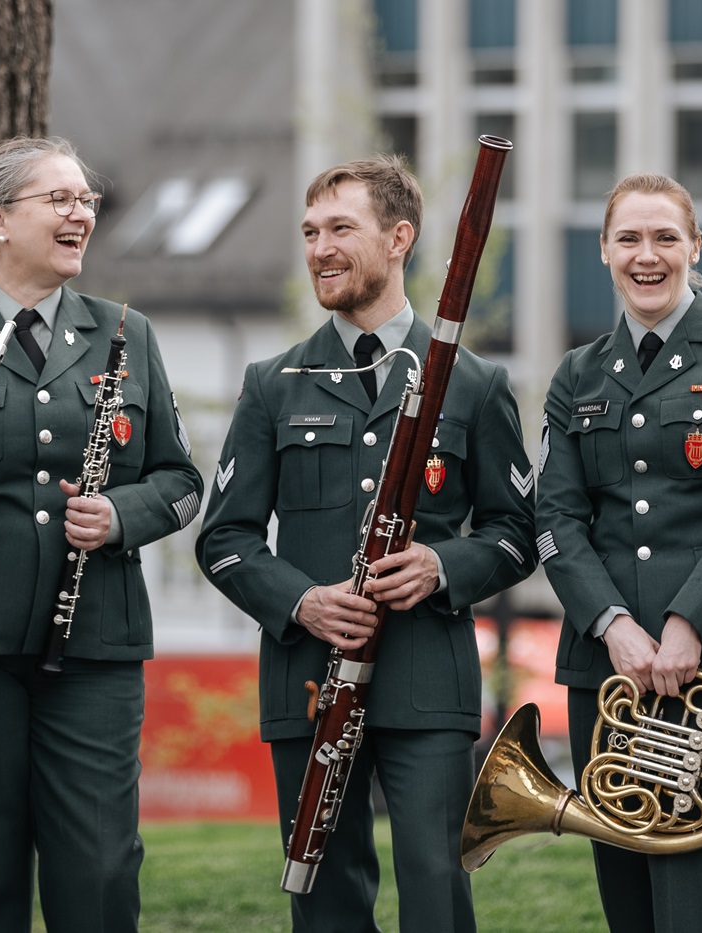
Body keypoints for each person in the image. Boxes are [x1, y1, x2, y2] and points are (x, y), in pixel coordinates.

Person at [195, 154, 536, 933]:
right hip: (309, 683)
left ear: (398, 238)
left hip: (427, 681)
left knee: (437, 894)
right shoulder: (273, 382)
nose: (320, 248)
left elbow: (520, 534)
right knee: (326, 905)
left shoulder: (473, 383)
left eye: (340, 229)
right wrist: (303, 602)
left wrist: (441, 566)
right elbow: (224, 538)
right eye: (310, 232)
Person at [0, 135, 202, 932]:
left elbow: (182, 480)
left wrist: (121, 515)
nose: (81, 213)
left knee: (100, 865)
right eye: (60, 199)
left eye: (87, 199)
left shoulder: (129, 333)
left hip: (95, 642)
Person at [534, 172, 702, 932]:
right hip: (604, 667)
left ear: (695, 247)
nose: (646, 256)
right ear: (604, 250)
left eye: (665, 238)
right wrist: (613, 625)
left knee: (697, 890)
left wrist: (687, 623)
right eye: (629, 239)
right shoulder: (576, 373)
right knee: (625, 893)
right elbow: (555, 519)